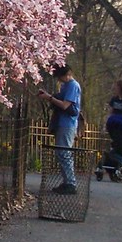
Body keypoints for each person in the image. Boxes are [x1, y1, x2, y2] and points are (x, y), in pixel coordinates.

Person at [38, 65, 81, 194]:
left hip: (67, 124)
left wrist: (49, 98)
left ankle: (70, 182)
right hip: (62, 122)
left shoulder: (73, 86)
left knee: (64, 152)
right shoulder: (65, 86)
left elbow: (65, 105)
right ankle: (66, 181)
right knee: (61, 152)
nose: (60, 80)